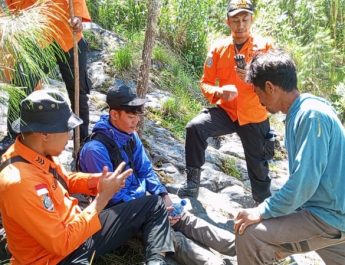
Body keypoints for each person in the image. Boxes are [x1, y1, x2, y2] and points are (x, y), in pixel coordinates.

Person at [0, 89, 174, 265]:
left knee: (153, 204)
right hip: (57, 258)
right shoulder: (18, 183)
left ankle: (155, 261)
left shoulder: (38, 152)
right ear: (44, 134)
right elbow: (62, 243)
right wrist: (102, 199)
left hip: (80, 228)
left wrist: (96, 181)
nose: (69, 136)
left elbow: (64, 180)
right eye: (66, 129)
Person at [78, 84, 236, 265]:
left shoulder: (130, 135)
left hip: (144, 202)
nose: (136, 121)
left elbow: (145, 170)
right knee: (168, 234)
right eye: (131, 116)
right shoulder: (95, 150)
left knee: (183, 216)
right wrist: (153, 210)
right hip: (119, 212)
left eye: (137, 115)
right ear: (114, 114)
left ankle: (239, 246)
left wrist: (163, 196)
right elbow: (112, 197)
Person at [234, 50, 345, 265]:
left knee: (250, 236)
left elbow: (304, 183)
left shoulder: (311, 115)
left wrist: (262, 211)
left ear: (270, 87)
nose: (259, 101)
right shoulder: (303, 111)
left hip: (329, 215)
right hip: (330, 211)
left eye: (258, 93)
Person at [178, 0, 274, 204]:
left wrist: (251, 75)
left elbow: (273, 82)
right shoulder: (218, 49)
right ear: (227, 22)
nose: (241, 26)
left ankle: (263, 204)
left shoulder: (264, 48)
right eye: (236, 20)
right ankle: (192, 183)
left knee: (258, 165)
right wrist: (220, 92)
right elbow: (205, 83)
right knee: (195, 128)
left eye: (245, 20)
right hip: (227, 111)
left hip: (254, 115)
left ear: (252, 20)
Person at [0, 0, 92, 153]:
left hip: (67, 32)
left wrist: (78, 17)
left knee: (78, 90)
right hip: (35, 35)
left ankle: (82, 140)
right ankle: (13, 137)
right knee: (22, 83)